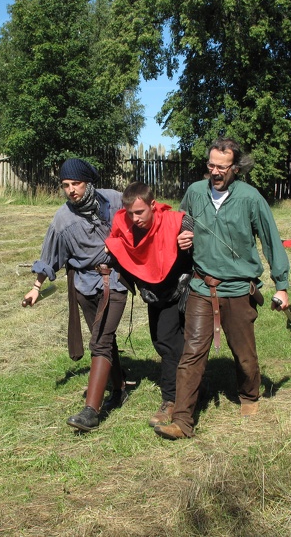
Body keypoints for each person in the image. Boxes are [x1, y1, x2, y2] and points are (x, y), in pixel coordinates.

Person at [153, 138, 290, 440]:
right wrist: (183, 236)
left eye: (222, 167)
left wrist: (282, 285)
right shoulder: (194, 192)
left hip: (239, 289)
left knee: (244, 355)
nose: (215, 172)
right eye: (211, 165)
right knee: (191, 352)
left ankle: (249, 395)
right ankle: (183, 421)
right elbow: (183, 220)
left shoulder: (250, 198)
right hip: (202, 286)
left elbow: (271, 240)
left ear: (235, 168)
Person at [22, 158, 128, 432]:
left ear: (88, 182)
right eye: (66, 185)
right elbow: (49, 254)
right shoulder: (62, 218)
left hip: (115, 281)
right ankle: (119, 388)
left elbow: (144, 215)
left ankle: (91, 411)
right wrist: (36, 288)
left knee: (100, 341)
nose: (71, 190)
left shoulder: (114, 200)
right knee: (104, 337)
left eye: (76, 184)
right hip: (84, 285)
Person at [104, 182, 193, 427]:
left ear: (153, 205)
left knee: (168, 342)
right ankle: (192, 383)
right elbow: (114, 242)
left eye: (140, 212)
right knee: (161, 342)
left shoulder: (176, 221)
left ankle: (172, 400)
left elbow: (199, 234)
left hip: (181, 290)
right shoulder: (124, 225)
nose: (135, 218)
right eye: (131, 213)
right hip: (154, 293)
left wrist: (191, 240)